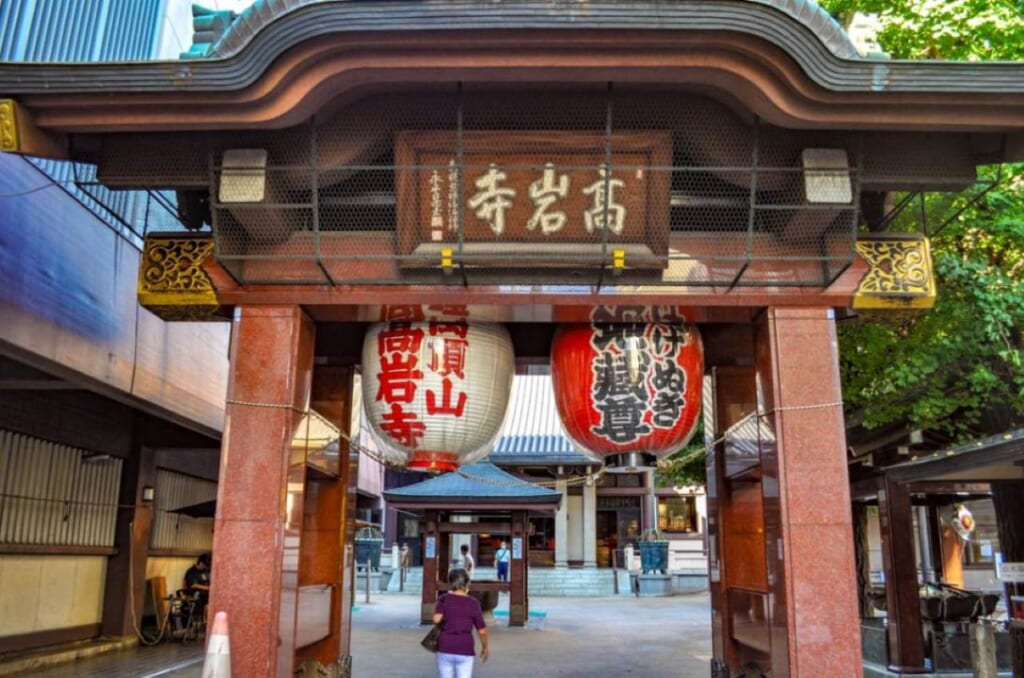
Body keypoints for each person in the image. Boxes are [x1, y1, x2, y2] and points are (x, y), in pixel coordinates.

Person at [433, 568, 488, 678]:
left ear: (450, 582)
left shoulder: (443, 599)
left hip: (445, 647)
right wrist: (485, 647)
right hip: (465, 649)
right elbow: (482, 631)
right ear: (467, 582)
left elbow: (436, 619)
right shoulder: (473, 603)